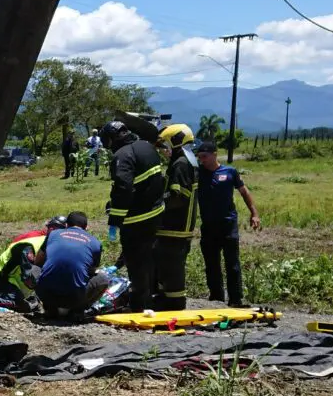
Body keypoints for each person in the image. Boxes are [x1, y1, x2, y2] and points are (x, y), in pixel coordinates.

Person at [103, 120, 165, 312]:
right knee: (149, 258)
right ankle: (151, 299)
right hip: (156, 212)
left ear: (111, 139)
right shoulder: (146, 147)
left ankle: (138, 305)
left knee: (136, 262)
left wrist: (115, 220)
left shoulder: (122, 155)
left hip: (136, 218)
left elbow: (123, 188)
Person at [196, 141, 261, 307]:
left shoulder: (230, 172)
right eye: (199, 156)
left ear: (215, 154)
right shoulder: (198, 173)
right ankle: (216, 298)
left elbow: (244, 192)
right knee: (211, 264)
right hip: (208, 225)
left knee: (232, 264)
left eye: (205, 156)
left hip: (228, 224)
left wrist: (254, 213)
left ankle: (236, 299)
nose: (202, 159)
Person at [153, 123, 199, 312]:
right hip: (179, 226)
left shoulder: (180, 164)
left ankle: (174, 303)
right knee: (168, 265)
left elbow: (177, 197)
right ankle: (168, 299)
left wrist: (156, 202)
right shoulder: (188, 161)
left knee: (171, 266)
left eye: (166, 146)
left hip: (175, 226)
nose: (164, 151)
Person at [32, 211, 109, 318]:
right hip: (74, 298)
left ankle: (50, 309)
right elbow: (91, 269)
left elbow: (38, 262)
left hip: (46, 295)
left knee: (34, 269)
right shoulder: (95, 242)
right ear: (86, 227)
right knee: (103, 279)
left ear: (66, 225)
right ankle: (77, 311)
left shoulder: (53, 234)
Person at [0, 215, 67, 310]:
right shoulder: (31, 246)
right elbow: (29, 279)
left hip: (15, 284)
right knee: (26, 307)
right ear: (52, 230)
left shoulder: (51, 243)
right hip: (2, 281)